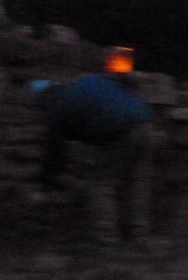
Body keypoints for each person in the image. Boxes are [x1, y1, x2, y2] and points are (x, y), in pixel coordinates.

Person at [29, 74, 158, 247]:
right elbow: (122, 89)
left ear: (43, 98)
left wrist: (44, 186)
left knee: (101, 183)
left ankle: (107, 237)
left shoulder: (58, 107)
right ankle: (139, 234)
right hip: (145, 123)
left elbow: (53, 152)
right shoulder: (89, 81)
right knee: (139, 181)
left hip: (120, 131)